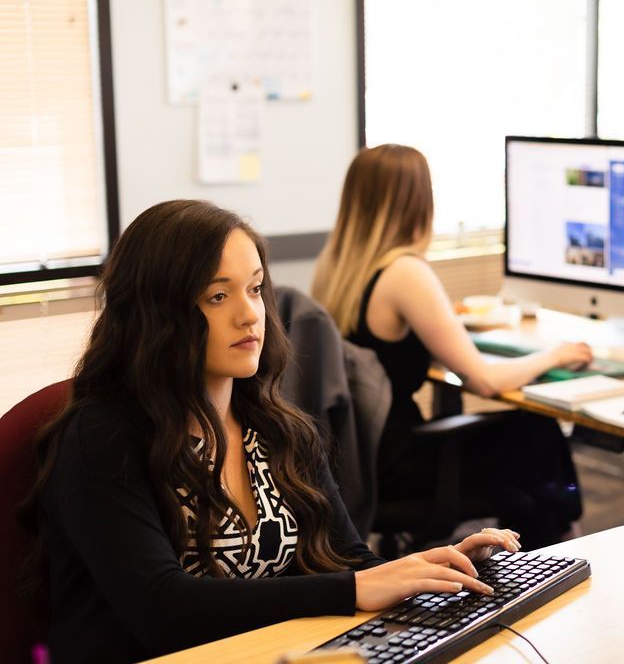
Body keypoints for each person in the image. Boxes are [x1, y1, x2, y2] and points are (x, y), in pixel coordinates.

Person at [20, 200, 520, 664]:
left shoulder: (278, 428)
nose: (250, 313)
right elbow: (162, 609)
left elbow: (347, 560)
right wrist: (354, 588)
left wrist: (432, 569)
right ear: (157, 314)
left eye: (255, 288)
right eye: (218, 296)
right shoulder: (101, 437)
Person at [312, 144, 592, 550]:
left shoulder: (336, 268)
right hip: (403, 462)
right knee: (538, 433)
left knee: (531, 452)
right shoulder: (405, 271)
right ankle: (558, 548)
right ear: (418, 201)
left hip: (363, 458)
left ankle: (546, 545)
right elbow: (484, 381)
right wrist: (557, 354)